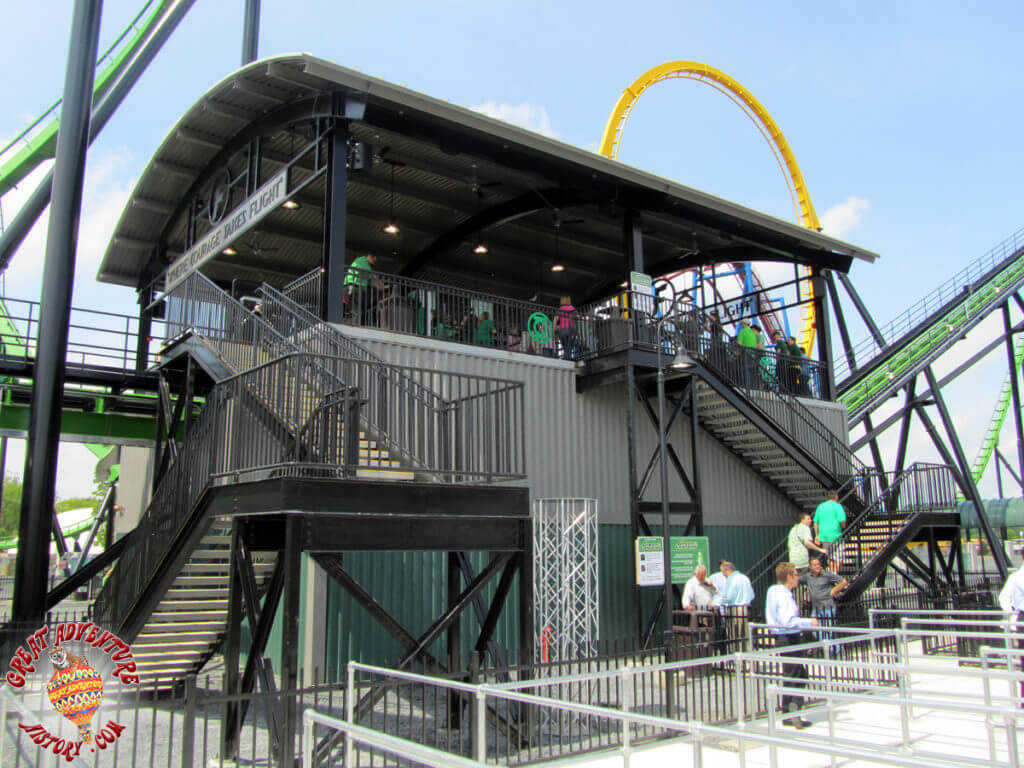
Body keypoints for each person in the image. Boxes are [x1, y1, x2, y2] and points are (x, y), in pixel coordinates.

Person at [766, 562, 819, 728]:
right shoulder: (783, 595)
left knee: (793, 675)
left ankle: (788, 711)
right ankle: (793, 709)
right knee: (797, 676)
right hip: (789, 637)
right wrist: (809, 622)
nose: (798, 578)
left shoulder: (773, 591)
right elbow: (788, 621)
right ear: (789, 577)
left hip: (780, 637)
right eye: (796, 575)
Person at [799, 557, 848, 636]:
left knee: (828, 631)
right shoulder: (808, 576)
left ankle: (834, 648)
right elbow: (797, 579)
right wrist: (805, 569)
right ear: (811, 567)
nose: (817, 566)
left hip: (827, 606)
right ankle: (824, 646)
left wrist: (834, 590)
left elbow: (843, 581)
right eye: (814, 565)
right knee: (815, 630)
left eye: (818, 564)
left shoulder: (826, 574)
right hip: (816, 608)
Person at [720, 561, 756, 645]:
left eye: (723, 572)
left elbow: (728, 597)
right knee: (746, 637)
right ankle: (747, 656)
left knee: (734, 637)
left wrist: (720, 604)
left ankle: (736, 656)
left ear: (728, 570)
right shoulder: (745, 578)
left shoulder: (731, 579)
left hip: (735, 609)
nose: (723, 575)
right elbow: (752, 595)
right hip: (746, 609)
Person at [343, 253, 383, 325]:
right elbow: (368, 274)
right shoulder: (362, 261)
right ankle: (355, 327)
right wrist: (376, 280)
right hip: (353, 286)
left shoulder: (366, 264)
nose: (375, 261)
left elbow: (368, 280)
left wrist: (377, 284)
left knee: (357, 309)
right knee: (355, 310)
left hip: (355, 288)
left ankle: (354, 324)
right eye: (374, 258)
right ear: (369, 256)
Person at [813, 490, 847, 557]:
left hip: (823, 536)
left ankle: (831, 567)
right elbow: (842, 521)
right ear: (836, 497)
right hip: (835, 535)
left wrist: (817, 535)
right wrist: (843, 527)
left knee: (829, 556)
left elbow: (815, 522)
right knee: (838, 558)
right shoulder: (838, 506)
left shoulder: (820, 506)